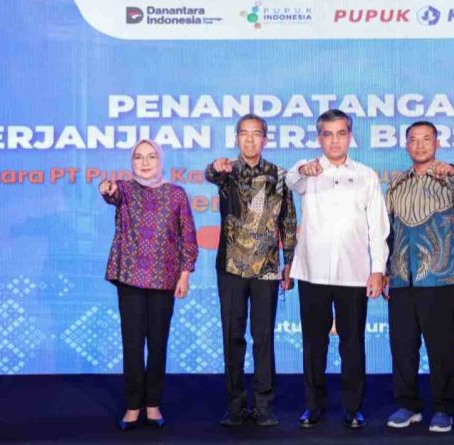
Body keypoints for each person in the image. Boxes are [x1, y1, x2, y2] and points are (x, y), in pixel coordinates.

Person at [286, 109, 389, 429]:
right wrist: (302, 168)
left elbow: (378, 227)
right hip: (313, 272)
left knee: (352, 344)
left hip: (354, 272)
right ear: (319, 138)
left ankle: (353, 407)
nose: (334, 140)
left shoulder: (366, 176)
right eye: (327, 134)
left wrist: (378, 269)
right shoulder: (308, 172)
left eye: (341, 133)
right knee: (313, 344)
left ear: (350, 136)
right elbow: (290, 180)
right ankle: (313, 406)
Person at [383, 121, 454, 433]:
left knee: (442, 348)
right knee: (403, 347)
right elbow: (386, 231)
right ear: (406, 145)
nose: (420, 145)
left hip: (440, 279)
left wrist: (453, 170)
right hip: (401, 278)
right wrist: (384, 271)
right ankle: (408, 405)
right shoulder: (396, 183)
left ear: (437, 143)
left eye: (427, 139)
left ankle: (443, 408)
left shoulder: (449, 179)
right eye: (414, 140)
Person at [99, 139, 198, 431]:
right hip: (130, 277)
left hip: (164, 279)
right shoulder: (125, 190)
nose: (145, 163)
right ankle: (132, 405)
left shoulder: (176, 194)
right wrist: (105, 188)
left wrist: (184, 274)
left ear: (160, 160)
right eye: (139, 157)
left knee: (157, 344)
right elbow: (110, 193)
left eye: (151, 157)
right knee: (132, 344)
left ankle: (153, 404)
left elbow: (188, 237)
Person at [206, 114, 297, 427]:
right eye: (243, 134)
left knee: (263, 338)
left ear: (265, 140)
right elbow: (211, 174)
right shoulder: (227, 172)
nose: (249, 139)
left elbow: (288, 221)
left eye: (255, 134)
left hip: (267, 268)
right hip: (230, 267)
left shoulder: (279, 176)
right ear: (236, 138)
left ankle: (263, 405)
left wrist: (289, 262)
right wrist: (215, 166)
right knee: (232, 336)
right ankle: (234, 405)